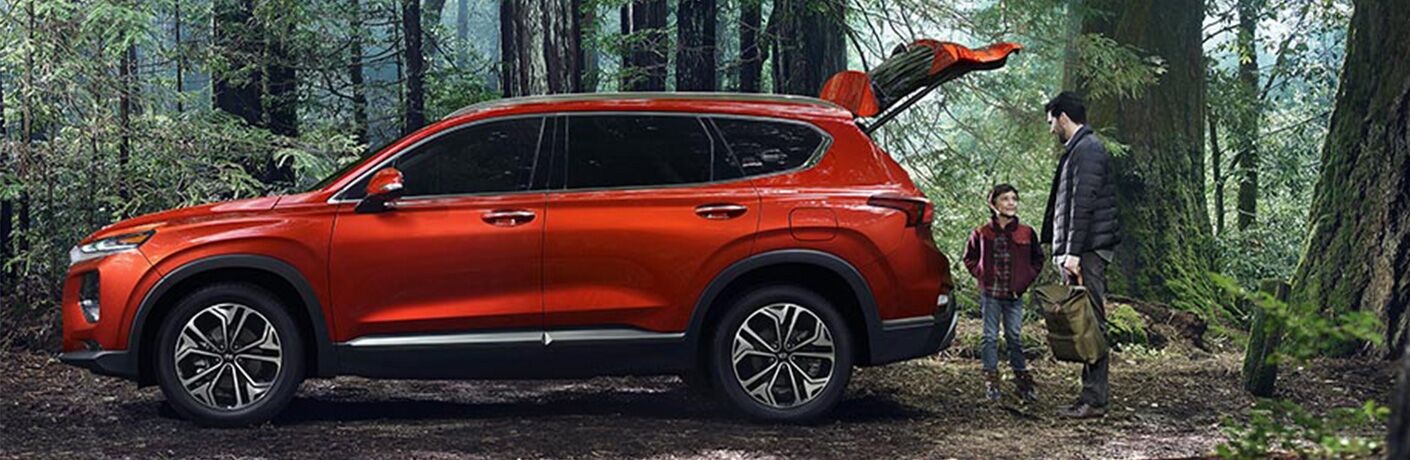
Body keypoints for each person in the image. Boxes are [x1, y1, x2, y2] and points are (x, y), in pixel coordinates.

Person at [1040, 91, 1120, 419]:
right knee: (1080, 324)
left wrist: (1071, 252)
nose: (1050, 130)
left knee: (1091, 324)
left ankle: (1095, 400)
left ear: (1063, 118)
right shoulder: (1078, 150)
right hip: (1079, 251)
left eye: (1051, 122)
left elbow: (1082, 207)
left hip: (1085, 252)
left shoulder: (1088, 150)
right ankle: (1088, 396)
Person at [962, 183, 1043, 403]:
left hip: (1014, 295)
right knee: (989, 337)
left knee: (1014, 337)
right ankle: (992, 382)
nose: (1010, 203)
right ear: (993, 203)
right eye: (1005, 199)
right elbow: (968, 257)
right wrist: (981, 274)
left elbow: (1038, 259)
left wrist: (1026, 278)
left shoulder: (1026, 232)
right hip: (991, 294)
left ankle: (1023, 382)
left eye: (1014, 199)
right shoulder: (982, 232)